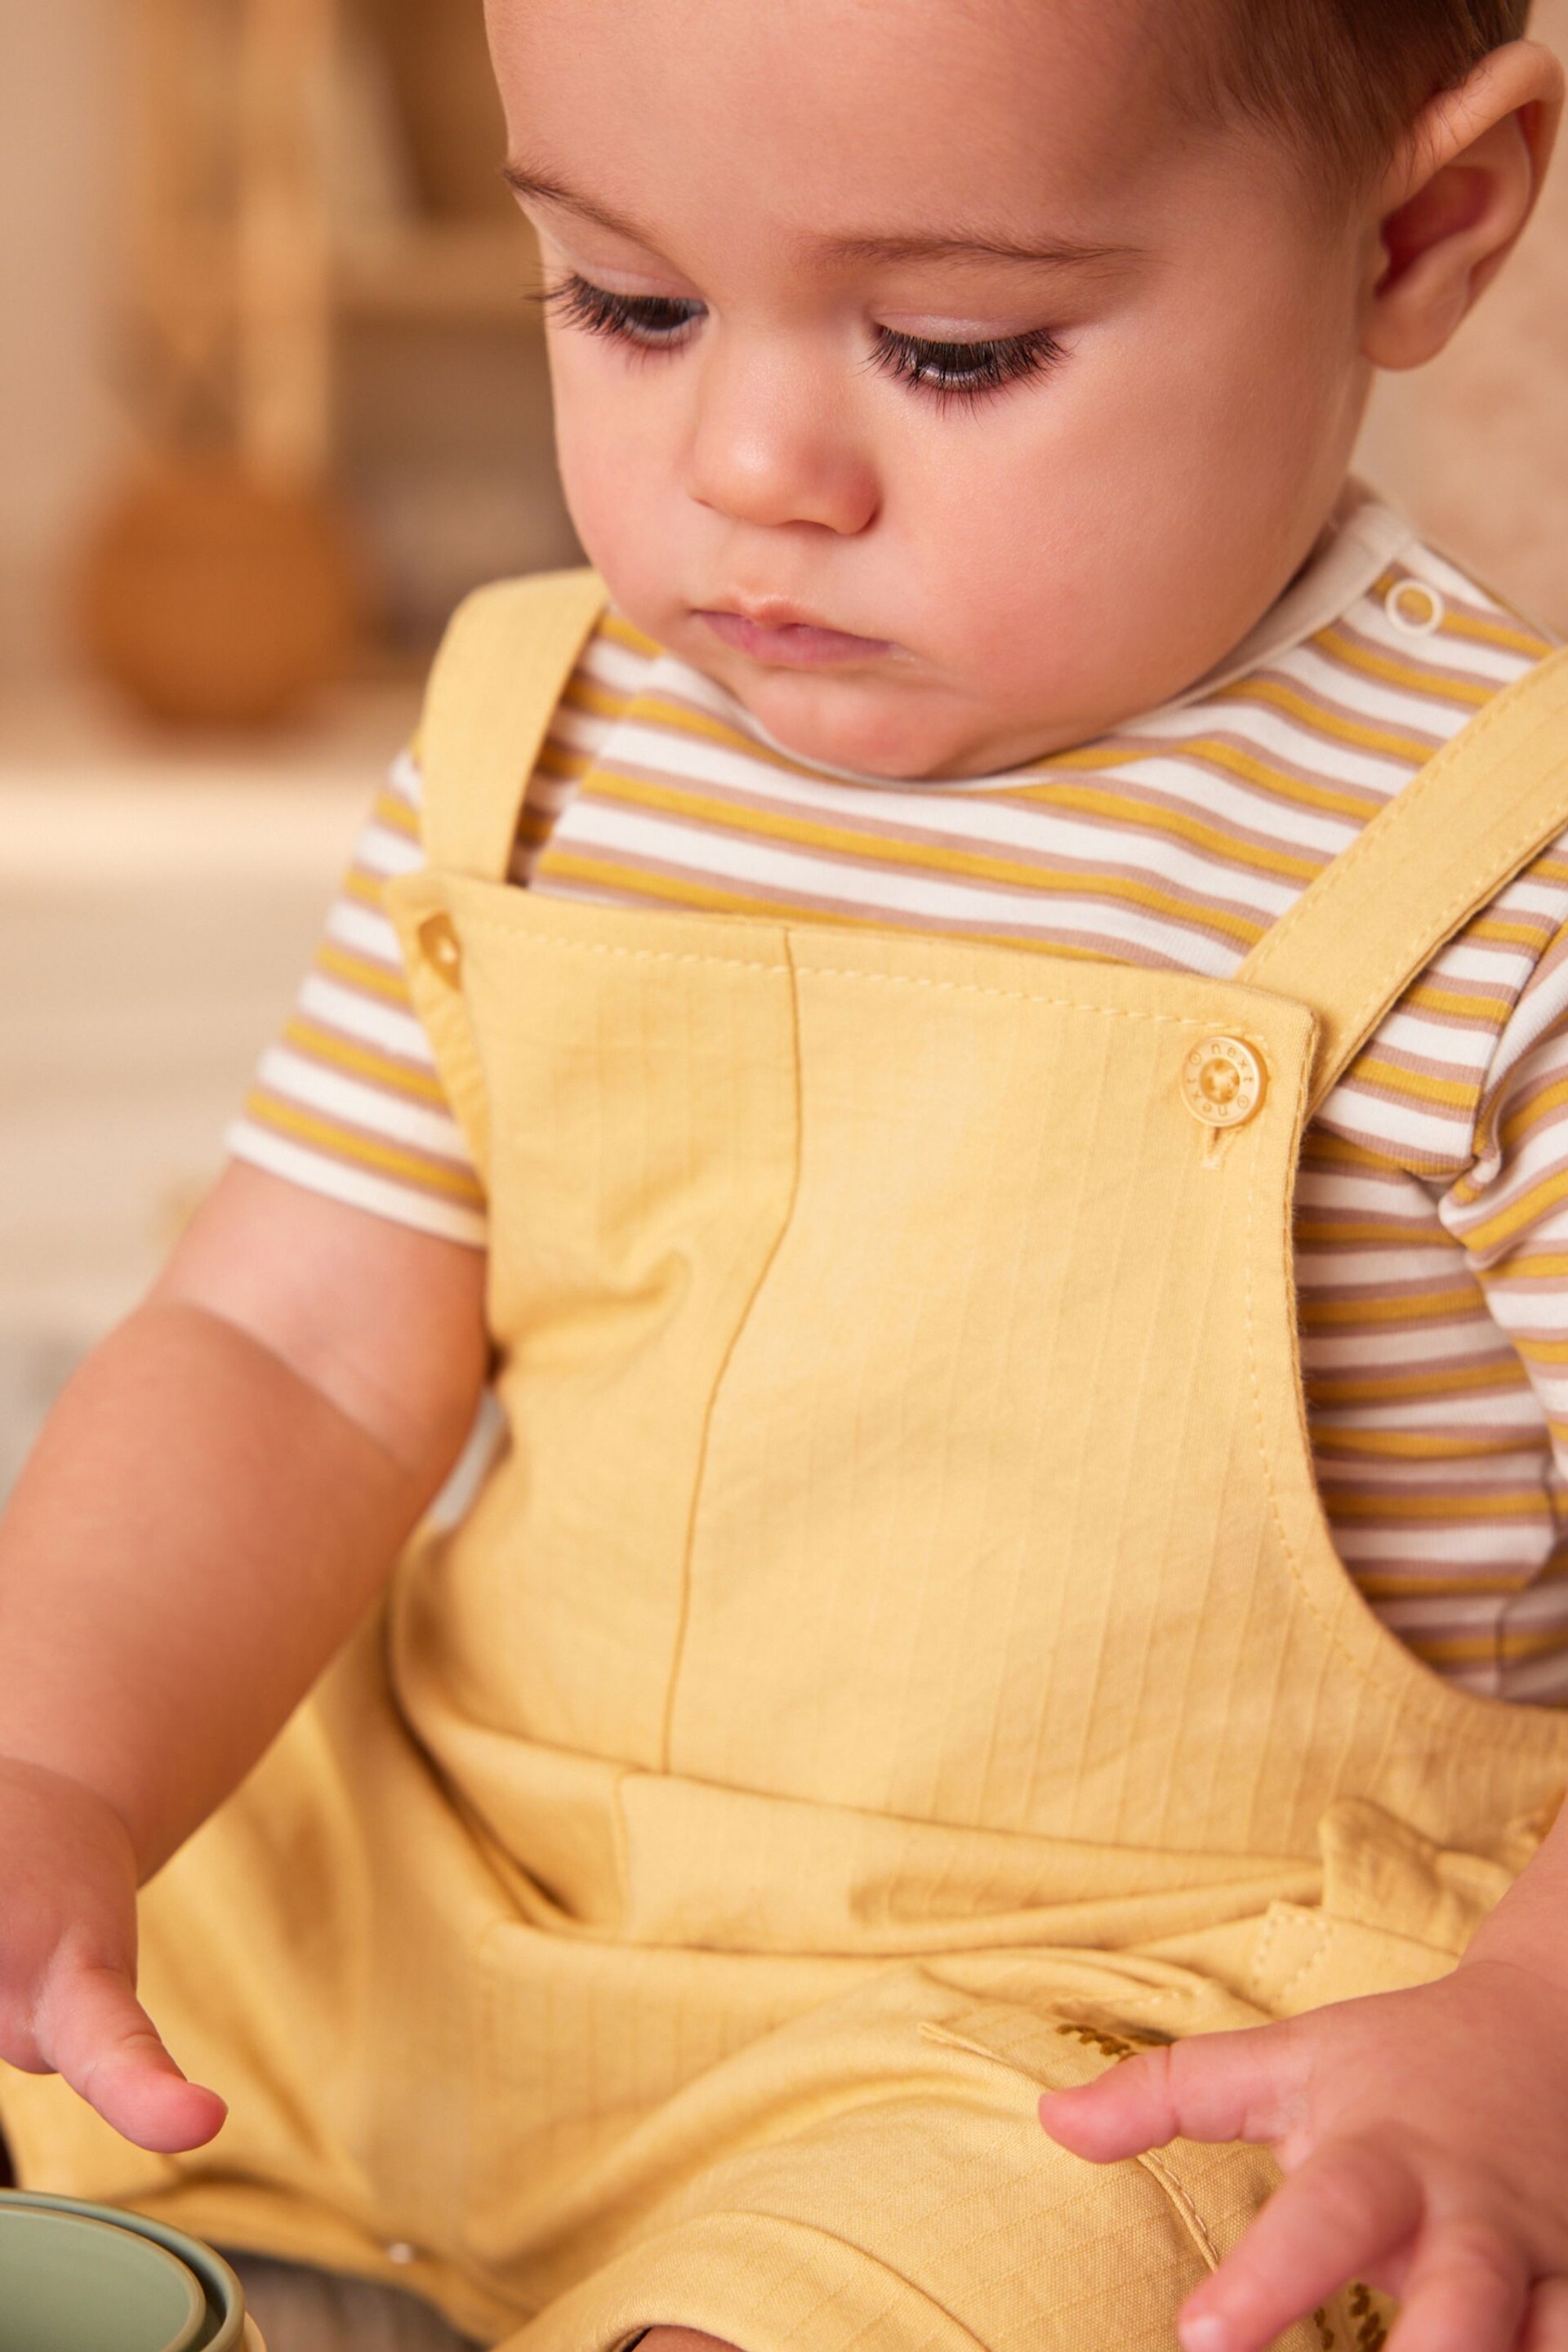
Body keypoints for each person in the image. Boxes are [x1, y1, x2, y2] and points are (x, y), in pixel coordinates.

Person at [4, 4, 1568, 2350]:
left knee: (1044, 2270)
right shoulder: (538, 746)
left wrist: (1535, 2037)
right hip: (463, 1886)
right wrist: (57, 1763)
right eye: (629, 304)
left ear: (1421, 228)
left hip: (1084, 2035)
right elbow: (284, 1340)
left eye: (954, 350)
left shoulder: (1505, 875)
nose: (747, 462)